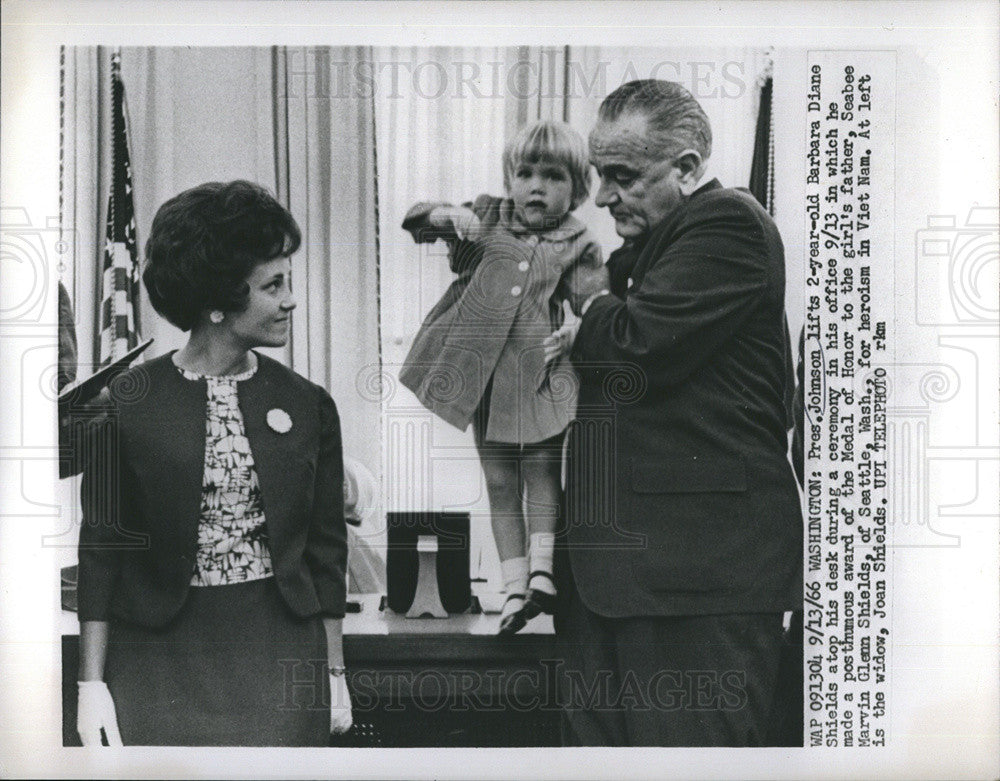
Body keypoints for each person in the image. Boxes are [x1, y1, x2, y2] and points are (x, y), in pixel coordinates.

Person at [544, 81, 803, 745]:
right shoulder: (655, 247)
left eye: (623, 176)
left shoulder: (730, 225)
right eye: (602, 175)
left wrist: (593, 312)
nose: (602, 197)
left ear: (688, 168)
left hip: (695, 588)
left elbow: (638, 345)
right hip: (617, 584)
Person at [75, 180, 353, 746]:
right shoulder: (127, 403)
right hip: (158, 661)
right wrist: (90, 683)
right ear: (220, 299)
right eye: (273, 285)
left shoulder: (308, 404)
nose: (289, 300)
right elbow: (102, 549)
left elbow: (327, 552)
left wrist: (335, 674)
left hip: (279, 657)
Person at [399, 120, 607, 634]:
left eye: (553, 176)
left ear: (578, 187)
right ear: (509, 177)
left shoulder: (578, 239)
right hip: (482, 370)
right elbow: (416, 222)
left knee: (540, 471)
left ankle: (542, 573)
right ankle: (513, 590)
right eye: (525, 173)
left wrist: (578, 329)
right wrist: (446, 216)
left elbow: (594, 302)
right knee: (497, 481)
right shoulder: (487, 213)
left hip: (539, 369)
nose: (536, 186)